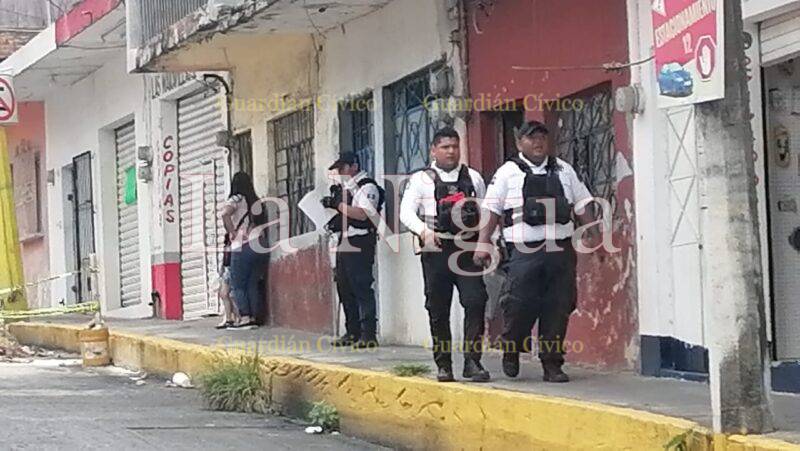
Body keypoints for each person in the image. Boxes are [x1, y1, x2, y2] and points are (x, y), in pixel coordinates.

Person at [473, 120, 596, 382]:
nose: (538, 142)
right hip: (524, 252)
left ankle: (552, 365)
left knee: (558, 306)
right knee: (519, 305)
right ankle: (512, 347)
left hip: (560, 252)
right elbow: (492, 209)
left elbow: (583, 203)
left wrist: (594, 232)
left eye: (542, 137)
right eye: (531, 138)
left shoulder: (564, 169)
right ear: (519, 143)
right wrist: (484, 243)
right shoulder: (507, 172)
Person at [399, 126, 490, 383]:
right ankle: (444, 364)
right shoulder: (420, 180)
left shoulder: (473, 177)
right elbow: (406, 213)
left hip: (467, 249)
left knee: (475, 301)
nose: (451, 151)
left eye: (455, 146)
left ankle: (473, 361)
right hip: (436, 250)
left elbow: (485, 213)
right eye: (445, 147)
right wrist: (423, 231)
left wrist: (488, 243)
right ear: (433, 150)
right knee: (438, 308)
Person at [322, 152, 384, 349]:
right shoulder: (346, 189)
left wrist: (337, 205)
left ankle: (368, 334)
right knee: (344, 286)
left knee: (361, 286)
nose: (340, 173)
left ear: (354, 166)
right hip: (344, 240)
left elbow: (363, 214)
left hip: (361, 240)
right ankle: (352, 331)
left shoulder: (367, 187)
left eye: (343, 168)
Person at [221, 172, 268, 330]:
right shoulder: (257, 201)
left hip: (243, 245)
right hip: (260, 245)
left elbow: (225, 213)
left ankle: (245, 317)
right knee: (252, 283)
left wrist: (232, 231)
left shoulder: (236, 199)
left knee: (238, 284)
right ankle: (254, 317)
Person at [215, 235, 240, 329]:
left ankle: (235, 318)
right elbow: (225, 260)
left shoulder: (236, 245)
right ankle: (230, 318)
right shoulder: (228, 245)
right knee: (225, 295)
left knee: (227, 295)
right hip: (227, 271)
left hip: (231, 271)